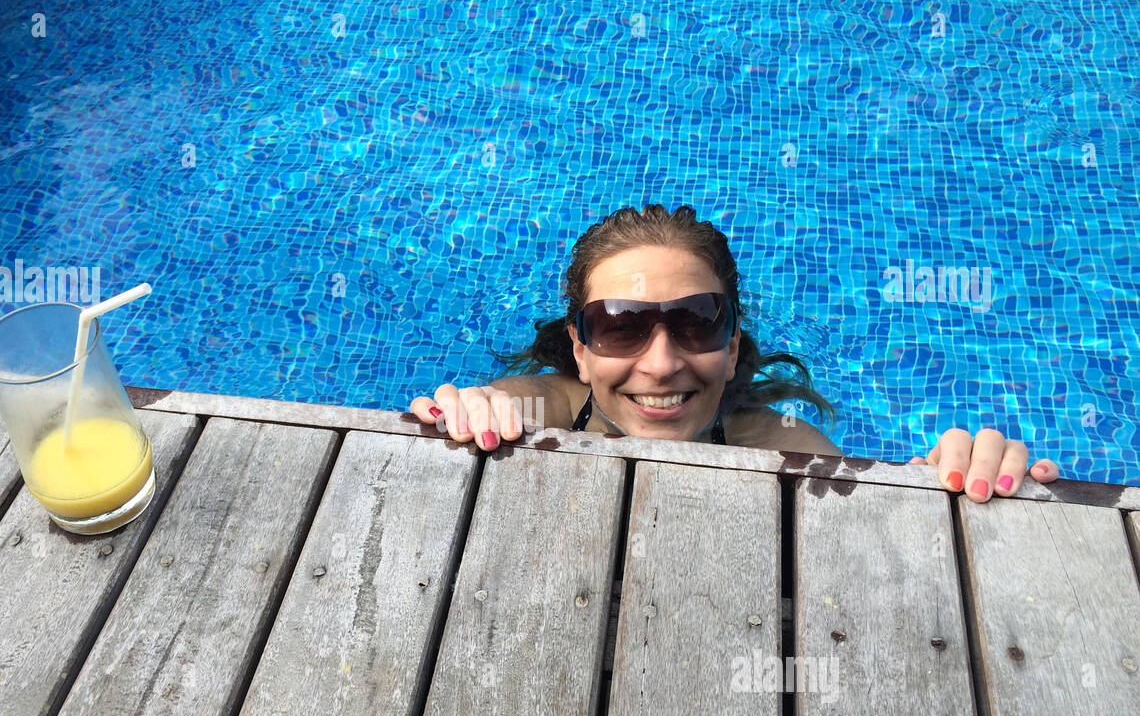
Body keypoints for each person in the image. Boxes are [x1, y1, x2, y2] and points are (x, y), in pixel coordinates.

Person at [409, 204, 1059, 503]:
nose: (662, 363)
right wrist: (477, 410)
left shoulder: (778, 444)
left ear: (732, 348)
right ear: (579, 352)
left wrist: (936, 489)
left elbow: (867, 528)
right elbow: (505, 404)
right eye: (620, 327)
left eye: (696, 323)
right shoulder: (554, 406)